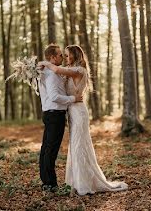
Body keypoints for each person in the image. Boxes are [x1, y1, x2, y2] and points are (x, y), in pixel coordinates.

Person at [41, 45, 128, 195]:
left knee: (79, 146)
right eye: (64, 55)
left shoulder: (79, 70)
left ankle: (83, 184)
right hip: (72, 111)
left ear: (75, 56)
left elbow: (56, 70)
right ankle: (75, 181)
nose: (65, 59)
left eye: (67, 56)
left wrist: (44, 63)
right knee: (76, 147)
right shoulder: (70, 72)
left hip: (78, 111)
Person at [37, 43, 81, 192]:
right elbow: (55, 96)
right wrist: (73, 99)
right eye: (60, 54)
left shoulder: (46, 72)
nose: (62, 57)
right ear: (52, 57)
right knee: (51, 149)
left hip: (50, 114)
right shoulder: (51, 75)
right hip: (55, 115)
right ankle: (50, 184)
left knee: (46, 148)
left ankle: (46, 181)